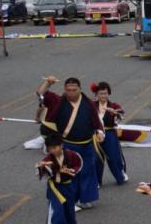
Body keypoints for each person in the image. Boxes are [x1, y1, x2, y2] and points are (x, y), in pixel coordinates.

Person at [36, 76, 104, 210]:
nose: (71, 93)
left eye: (74, 90)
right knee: (70, 173)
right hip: (69, 145)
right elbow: (41, 93)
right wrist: (48, 83)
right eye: (68, 90)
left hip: (87, 144)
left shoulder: (88, 103)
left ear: (80, 89)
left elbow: (96, 121)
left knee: (88, 171)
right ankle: (71, 200)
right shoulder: (58, 101)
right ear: (65, 90)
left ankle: (85, 199)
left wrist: (100, 132)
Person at [36, 133, 82, 224]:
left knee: (68, 208)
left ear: (61, 145)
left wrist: (71, 171)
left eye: (54, 148)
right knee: (57, 209)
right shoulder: (48, 159)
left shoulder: (71, 155)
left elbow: (79, 164)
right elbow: (43, 174)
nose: (52, 151)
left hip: (68, 185)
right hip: (55, 187)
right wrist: (44, 167)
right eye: (50, 149)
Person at [91, 82, 127, 186]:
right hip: (95, 134)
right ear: (97, 94)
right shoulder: (92, 105)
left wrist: (115, 113)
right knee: (96, 158)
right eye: (101, 93)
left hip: (110, 132)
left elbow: (121, 114)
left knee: (114, 156)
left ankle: (120, 177)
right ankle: (96, 181)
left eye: (106, 93)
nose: (103, 96)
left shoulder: (113, 105)